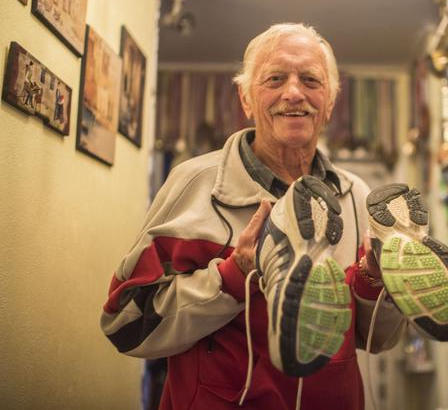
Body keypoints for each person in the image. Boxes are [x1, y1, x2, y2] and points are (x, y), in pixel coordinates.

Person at [101, 23, 409, 409]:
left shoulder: (358, 197)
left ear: (330, 101)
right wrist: (233, 277)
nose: (294, 93)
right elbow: (125, 323)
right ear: (246, 99)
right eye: (275, 79)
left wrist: (374, 281)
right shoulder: (193, 183)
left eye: (311, 80)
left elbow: (376, 340)